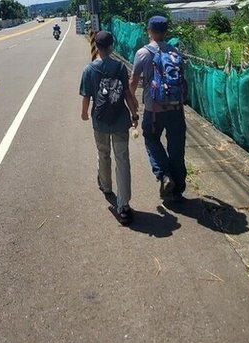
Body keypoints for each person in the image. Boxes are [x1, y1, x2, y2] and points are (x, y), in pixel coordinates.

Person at [80, 30, 139, 225]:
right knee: (122, 160)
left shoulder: (89, 70)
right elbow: (127, 94)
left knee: (103, 153)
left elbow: (86, 96)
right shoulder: (120, 67)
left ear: (96, 46)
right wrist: (134, 113)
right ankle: (124, 205)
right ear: (112, 46)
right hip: (120, 120)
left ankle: (106, 186)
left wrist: (84, 113)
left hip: (100, 122)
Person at [130, 15, 187, 201]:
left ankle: (164, 174)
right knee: (177, 147)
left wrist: (132, 101)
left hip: (153, 110)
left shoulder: (143, 53)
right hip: (176, 108)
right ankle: (178, 187)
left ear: (149, 31)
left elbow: (133, 80)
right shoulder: (175, 52)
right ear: (166, 31)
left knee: (151, 138)